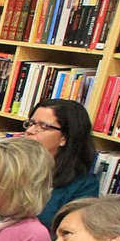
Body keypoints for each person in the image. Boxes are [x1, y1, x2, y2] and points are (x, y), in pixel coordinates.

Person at [22, 98, 98, 229]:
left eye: (43, 126)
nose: (30, 131)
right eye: (31, 123)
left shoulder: (83, 186)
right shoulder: (13, 166)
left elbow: (70, 232)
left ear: (64, 137)